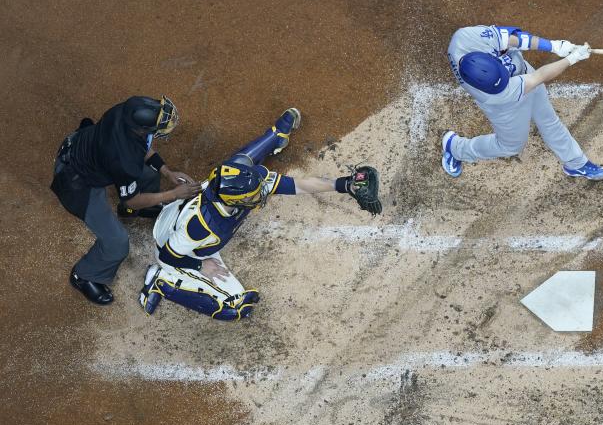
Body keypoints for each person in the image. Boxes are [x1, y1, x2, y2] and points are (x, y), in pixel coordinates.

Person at [139, 108, 381, 321]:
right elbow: (170, 255)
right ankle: (159, 282)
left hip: (179, 216)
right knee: (235, 309)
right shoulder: (201, 226)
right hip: (176, 247)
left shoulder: (236, 177)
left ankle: (277, 134)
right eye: (253, 196)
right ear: (235, 201)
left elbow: (299, 185)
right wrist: (200, 265)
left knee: (243, 159)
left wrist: (345, 184)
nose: (260, 195)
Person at [51, 96, 200, 305]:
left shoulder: (124, 111)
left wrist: (167, 172)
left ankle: (132, 214)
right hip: (76, 182)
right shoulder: (123, 157)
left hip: (82, 145)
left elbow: (142, 147)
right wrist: (174, 194)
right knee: (117, 242)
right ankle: (84, 276)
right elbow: (132, 199)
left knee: (148, 174)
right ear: (140, 128)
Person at [443, 25, 603, 181]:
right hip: (506, 107)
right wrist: (572, 58)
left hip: (524, 72)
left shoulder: (466, 37)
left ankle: (576, 163)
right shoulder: (496, 94)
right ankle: (456, 148)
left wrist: (554, 46)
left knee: (549, 120)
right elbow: (539, 77)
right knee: (510, 146)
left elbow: (514, 38)